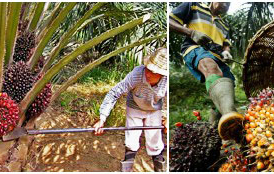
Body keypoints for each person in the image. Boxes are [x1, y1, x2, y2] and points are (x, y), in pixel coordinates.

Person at [169, 2, 243, 140]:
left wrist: (226, 52)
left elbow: (226, 44)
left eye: (229, 3)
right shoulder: (194, 6)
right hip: (195, 48)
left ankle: (213, 129)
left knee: (229, 85)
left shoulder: (225, 24)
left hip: (218, 57)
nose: (227, 5)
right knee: (211, 68)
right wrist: (191, 32)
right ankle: (233, 120)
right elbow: (169, 21)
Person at [92, 48, 168, 172]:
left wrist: (168, 119)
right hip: (135, 106)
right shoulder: (137, 74)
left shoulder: (167, 81)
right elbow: (114, 93)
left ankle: (159, 170)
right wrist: (102, 118)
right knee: (131, 142)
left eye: (153, 72)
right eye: (148, 69)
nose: (148, 74)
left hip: (154, 109)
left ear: (162, 74)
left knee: (155, 143)